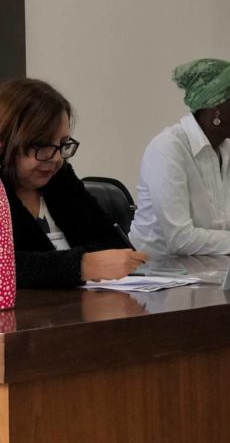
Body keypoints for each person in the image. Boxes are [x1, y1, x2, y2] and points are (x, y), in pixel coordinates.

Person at [130, 59, 230, 258]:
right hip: (155, 270)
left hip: (212, 267)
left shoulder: (228, 148)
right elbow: (180, 239)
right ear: (216, 108)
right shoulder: (168, 148)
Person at [0, 78, 148, 289]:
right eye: (42, 145)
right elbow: (7, 268)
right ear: (6, 141)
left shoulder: (61, 180)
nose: (56, 157)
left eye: (62, 144)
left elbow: (112, 243)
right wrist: (82, 265)